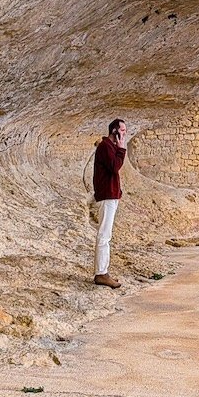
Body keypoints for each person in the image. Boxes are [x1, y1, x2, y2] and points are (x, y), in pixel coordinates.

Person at [92, 118, 126, 288]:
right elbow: (114, 167)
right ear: (115, 131)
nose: (125, 133)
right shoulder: (106, 146)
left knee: (106, 235)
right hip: (106, 195)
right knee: (104, 235)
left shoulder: (109, 146)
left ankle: (103, 271)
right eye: (123, 130)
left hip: (110, 195)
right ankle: (101, 273)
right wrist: (122, 149)